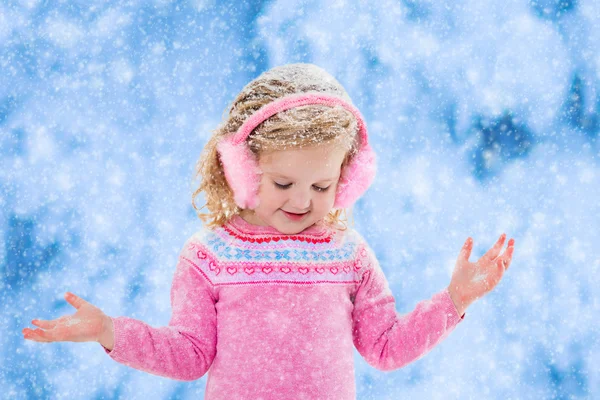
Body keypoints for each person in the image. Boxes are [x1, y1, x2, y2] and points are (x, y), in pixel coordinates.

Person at [22, 63, 515, 399]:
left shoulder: (347, 254)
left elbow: (384, 347)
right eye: (283, 182)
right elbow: (190, 355)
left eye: (322, 185)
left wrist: (454, 301)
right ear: (240, 168)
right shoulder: (209, 256)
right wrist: (112, 333)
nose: (302, 201)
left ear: (347, 181)